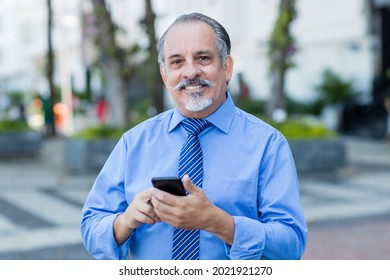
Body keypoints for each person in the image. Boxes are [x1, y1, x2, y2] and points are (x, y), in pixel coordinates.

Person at [81, 12, 307, 260]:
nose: (190, 72)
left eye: (202, 58)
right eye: (177, 62)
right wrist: (125, 221)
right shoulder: (133, 142)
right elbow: (91, 228)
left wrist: (218, 222)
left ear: (227, 67)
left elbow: (291, 244)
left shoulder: (268, 144)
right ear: (165, 74)